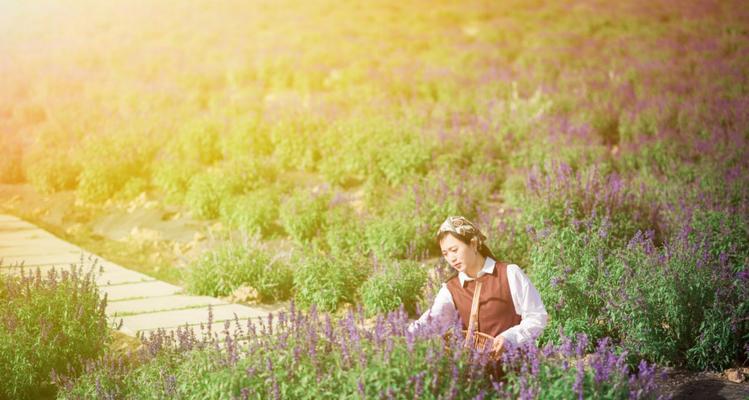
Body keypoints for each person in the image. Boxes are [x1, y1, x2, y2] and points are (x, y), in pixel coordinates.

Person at [408, 216, 548, 356]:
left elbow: (537, 317)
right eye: (445, 253)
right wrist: (403, 335)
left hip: (515, 369)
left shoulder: (509, 273)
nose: (451, 258)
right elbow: (432, 320)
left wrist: (509, 338)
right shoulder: (451, 289)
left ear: (473, 244)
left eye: (454, 250)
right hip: (475, 373)